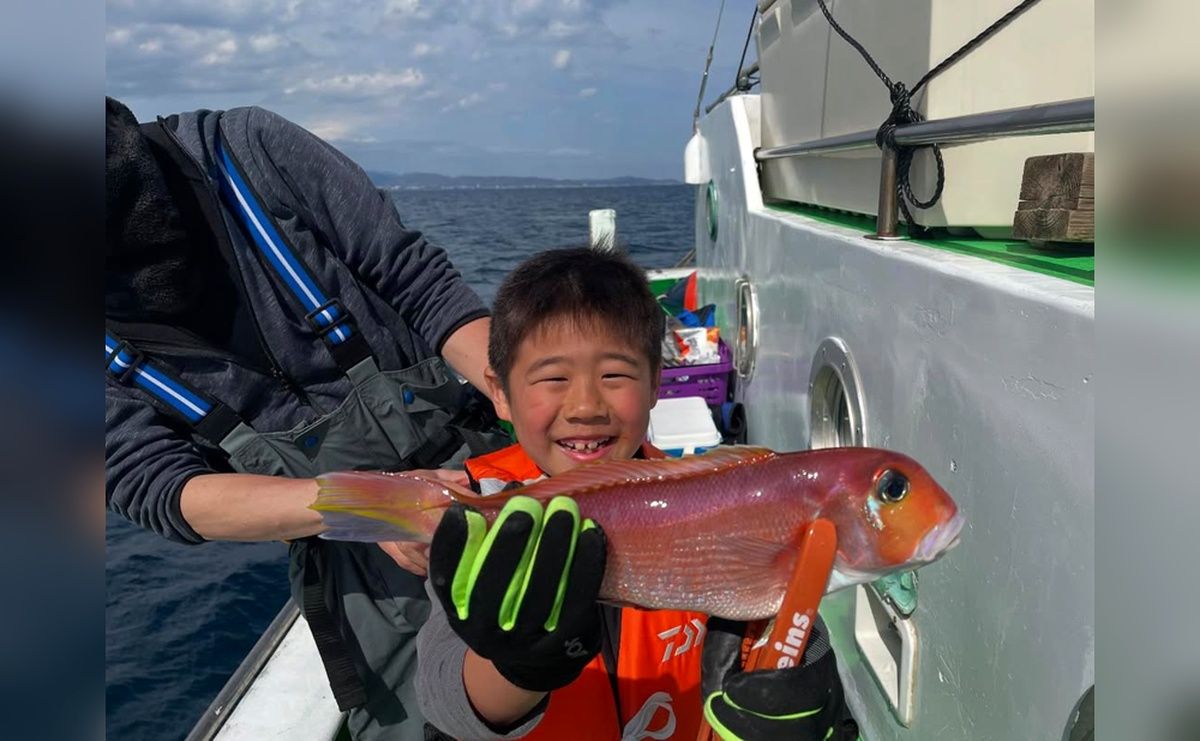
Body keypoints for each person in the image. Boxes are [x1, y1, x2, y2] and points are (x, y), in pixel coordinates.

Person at [104, 97, 507, 740]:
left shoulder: (249, 148)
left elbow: (421, 285)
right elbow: (161, 489)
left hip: (496, 473)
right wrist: (381, 506)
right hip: (358, 556)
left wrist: (527, 397)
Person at [416, 247, 855, 740]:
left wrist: (802, 697)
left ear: (655, 385)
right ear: (499, 392)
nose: (585, 405)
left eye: (615, 376)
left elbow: (792, 636)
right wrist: (518, 669)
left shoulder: (717, 503)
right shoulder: (485, 513)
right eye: (554, 378)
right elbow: (438, 694)